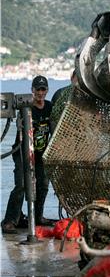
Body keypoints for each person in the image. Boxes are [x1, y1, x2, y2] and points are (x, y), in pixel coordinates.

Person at [1, 75, 53, 234]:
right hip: (22, 152)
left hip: (40, 153)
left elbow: (53, 127)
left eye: (43, 89)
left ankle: (38, 216)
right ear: (32, 90)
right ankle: (10, 220)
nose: (40, 93)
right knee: (22, 185)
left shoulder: (49, 107)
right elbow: (20, 125)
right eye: (37, 89)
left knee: (43, 185)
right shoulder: (27, 107)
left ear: (47, 91)